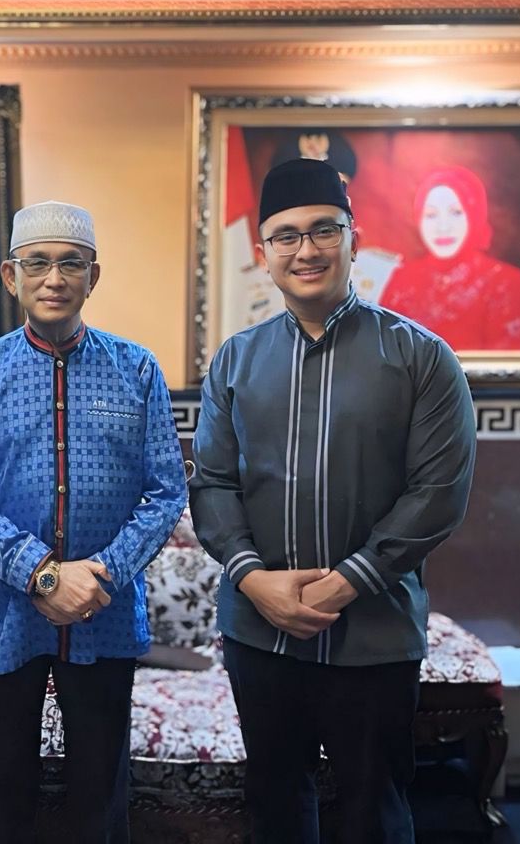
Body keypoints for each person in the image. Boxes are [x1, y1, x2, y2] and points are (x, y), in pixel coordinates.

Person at [190, 157, 477, 844]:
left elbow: (438, 492)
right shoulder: (235, 360)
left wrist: (345, 583)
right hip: (260, 632)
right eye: (286, 236)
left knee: (374, 811)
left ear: (354, 237)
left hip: (374, 633)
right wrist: (254, 580)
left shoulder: (421, 357)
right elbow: (213, 484)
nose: (307, 250)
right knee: (275, 806)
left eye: (324, 230)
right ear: (264, 253)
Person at [0, 200, 188, 844]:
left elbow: (165, 492)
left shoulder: (137, 368)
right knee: (5, 788)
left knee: (101, 789)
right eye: (37, 263)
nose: (54, 278)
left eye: (71, 263)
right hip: (6, 616)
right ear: (10, 276)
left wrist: (100, 574)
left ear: (92, 276)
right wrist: (44, 576)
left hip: (106, 610)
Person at [380, 164, 520, 350]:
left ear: (474, 215)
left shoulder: (505, 282)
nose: (443, 227)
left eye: (456, 213)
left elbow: (505, 363)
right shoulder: (402, 278)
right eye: (431, 215)